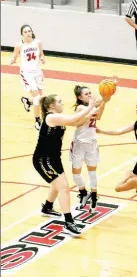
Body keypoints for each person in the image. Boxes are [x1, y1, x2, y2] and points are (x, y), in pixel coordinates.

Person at [33, 93, 97, 236]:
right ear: (51, 106)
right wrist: (90, 107)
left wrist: (90, 115)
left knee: (57, 184)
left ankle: (47, 207)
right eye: (60, 101)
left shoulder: (58, 118)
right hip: (44, 159)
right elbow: (74, 118)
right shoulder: (51, 117)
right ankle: (68, 222)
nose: (62, 103)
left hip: (54, 158)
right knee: (64, 187)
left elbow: (75, 122)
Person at [70, 85, 110, 213]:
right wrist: (102, 99)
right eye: (86, 94)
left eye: (90, 93)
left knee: (92, 172)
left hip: (91, 143)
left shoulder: (91, 107)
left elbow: (98, 116)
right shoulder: (80, 108)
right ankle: (83, 192)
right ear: (80, 97)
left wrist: (106, 95)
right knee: (76, 173)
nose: (89, 95)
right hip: (79, 144)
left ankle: (93, 196)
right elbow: (93, 109)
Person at [10, 24, 45, 130]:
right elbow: (14, 56)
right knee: (37, 97)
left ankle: (27, 101)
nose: (28, 33)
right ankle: (37, 121)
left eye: (29, 31)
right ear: (22, 34)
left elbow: (42, 54)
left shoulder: (37, 42)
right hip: (26, 73)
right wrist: (13, 60)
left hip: (37, 71)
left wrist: (43, 59)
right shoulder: (19, 45)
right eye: (25, 32)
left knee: (41, 98)